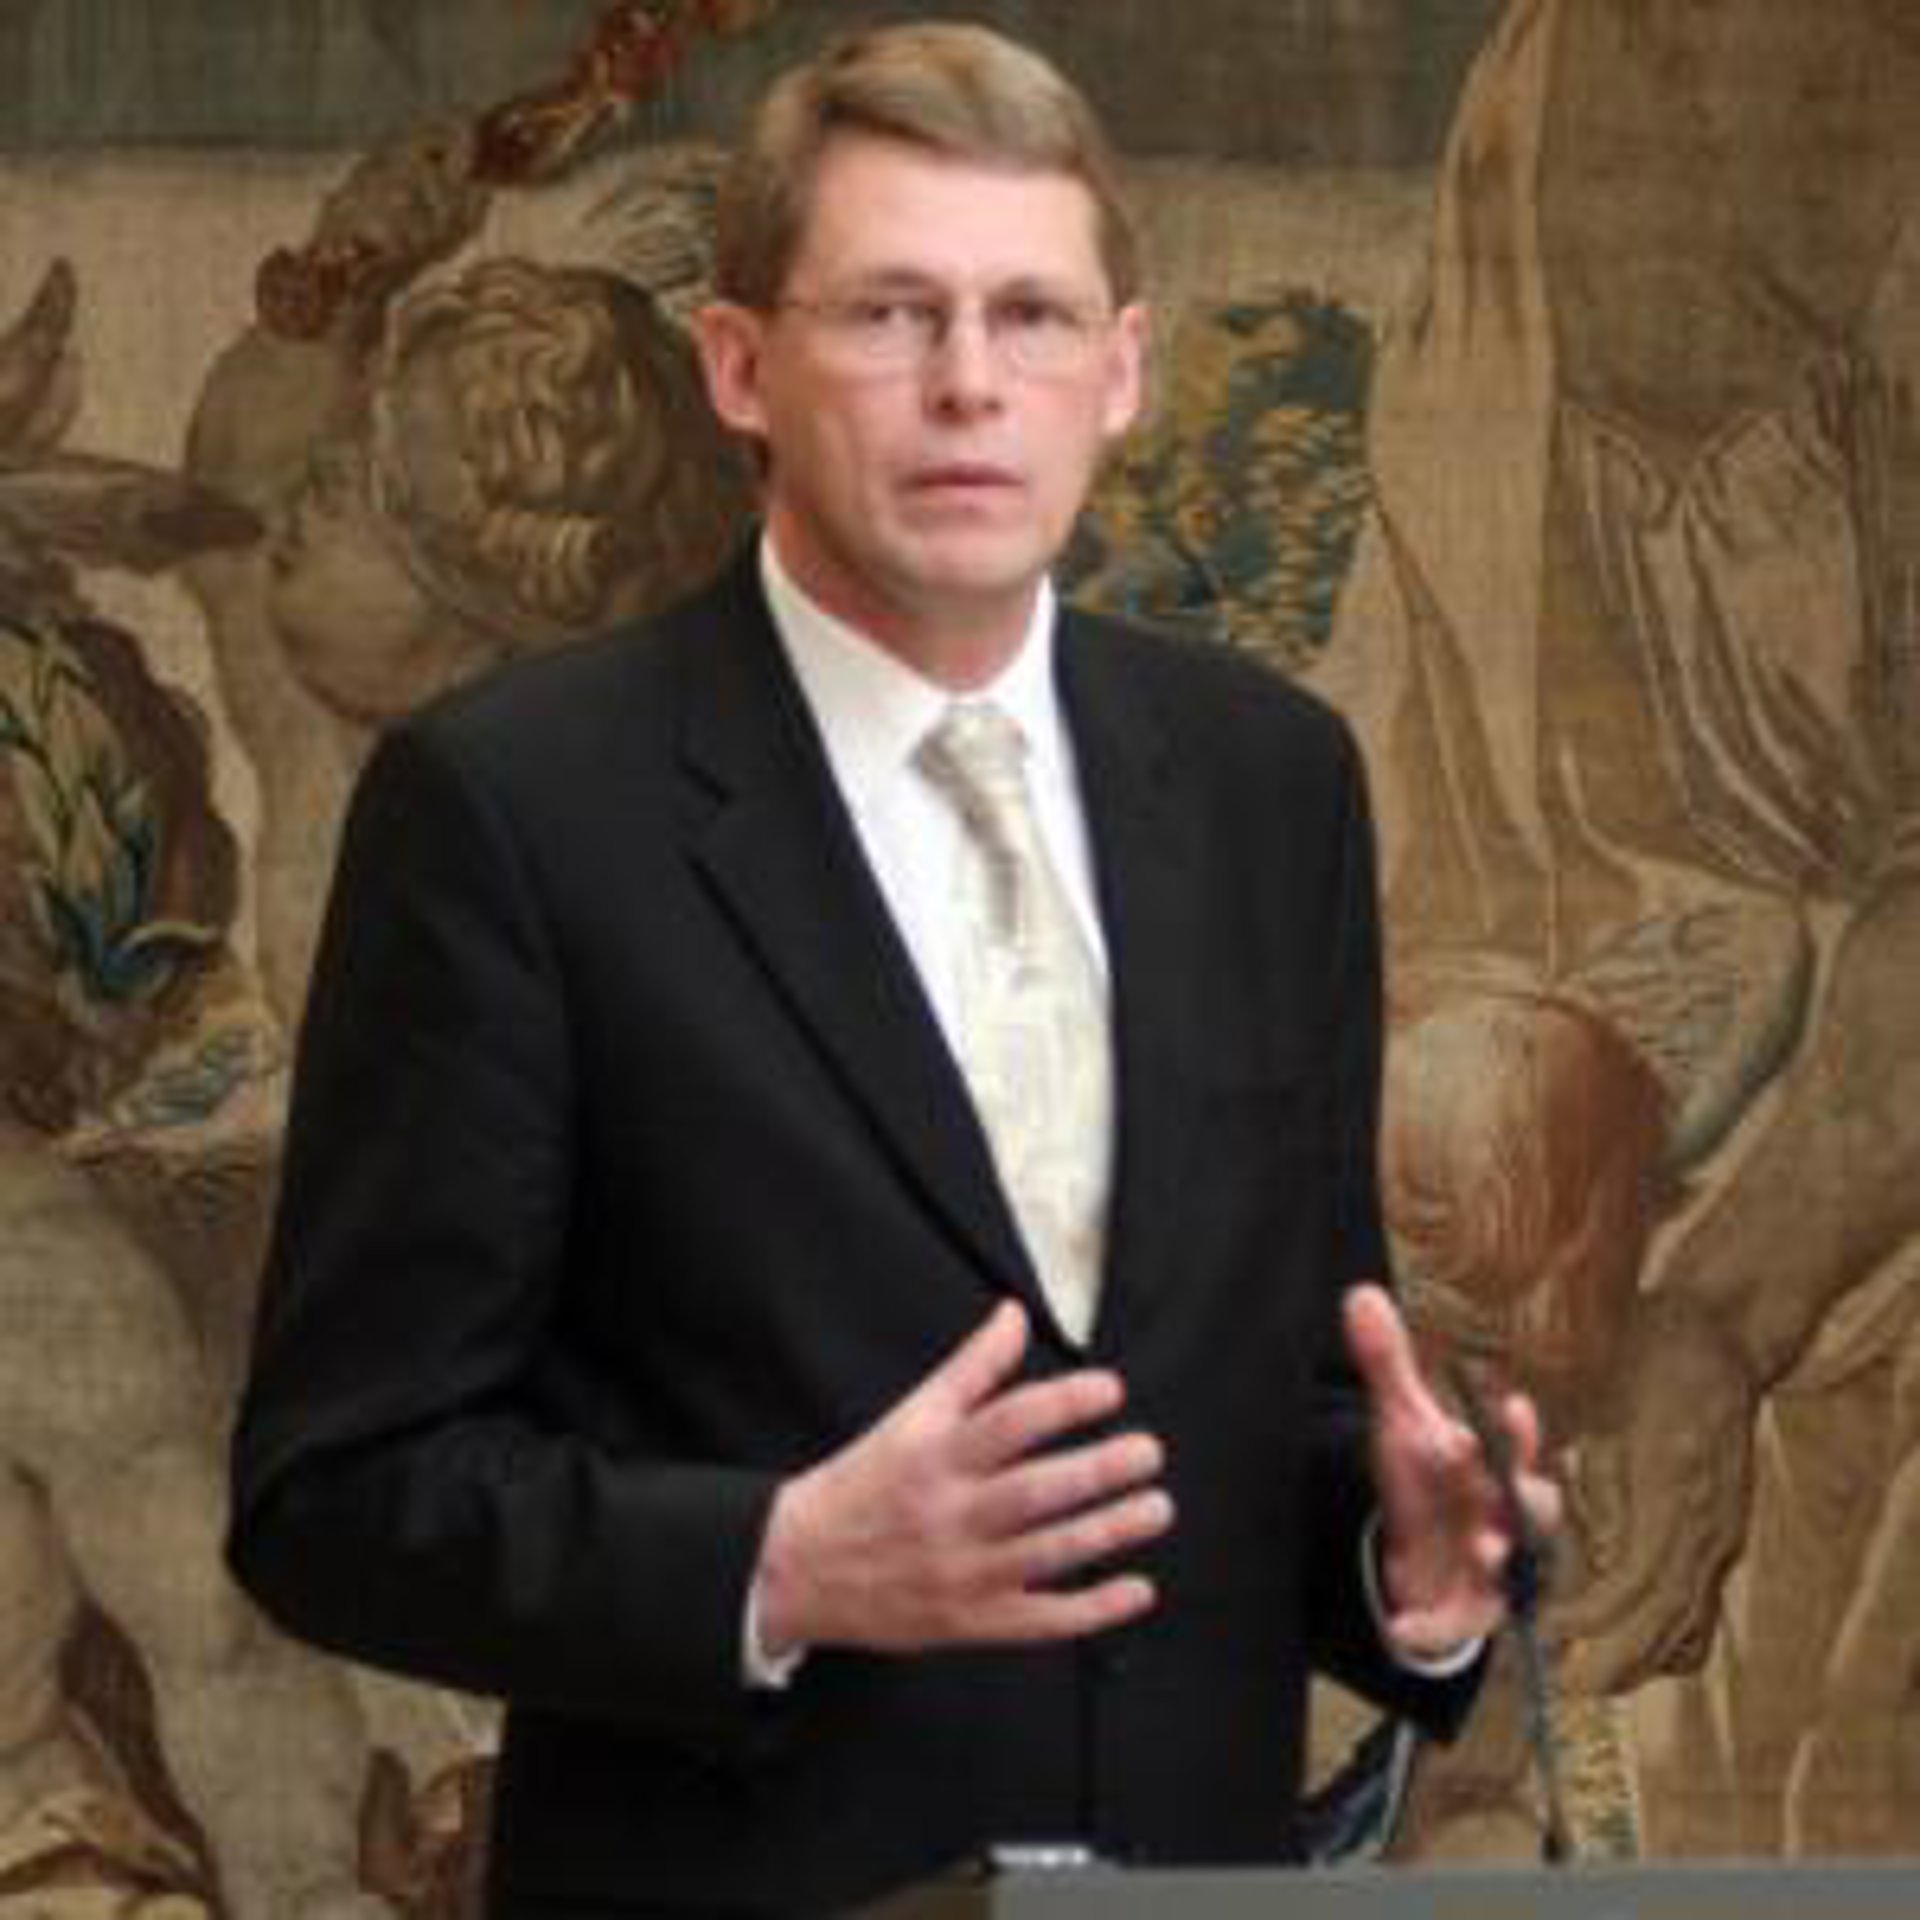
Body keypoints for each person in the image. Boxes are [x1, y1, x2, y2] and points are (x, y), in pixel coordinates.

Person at [227, 22, 1557, 1916]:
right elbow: (334, 1497)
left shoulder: (1274, 787)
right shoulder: (512, 809)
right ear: (738, 366)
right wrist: (775, 1565)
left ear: (1122, 372)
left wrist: (1404, 1565)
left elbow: (1293, 1399)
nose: (968, 385)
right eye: (890, 314)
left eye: (1032, 316)